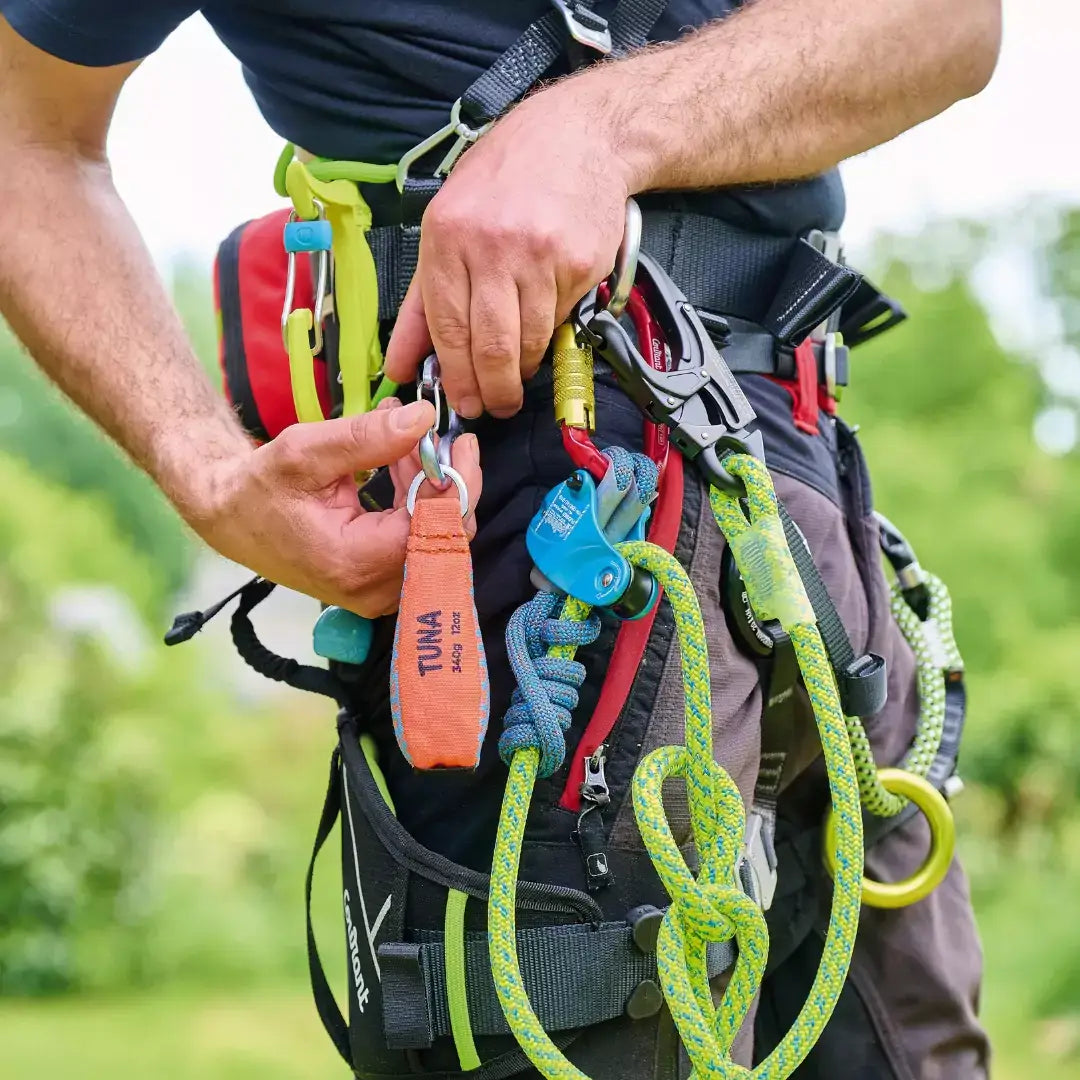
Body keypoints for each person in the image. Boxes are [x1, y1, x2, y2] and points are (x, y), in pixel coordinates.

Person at [0, 2, 1000, 1076]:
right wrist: (201, 467)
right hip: (523, 507)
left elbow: (952, 26)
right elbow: (23, 128)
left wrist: (604, 128)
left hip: (803, 485)